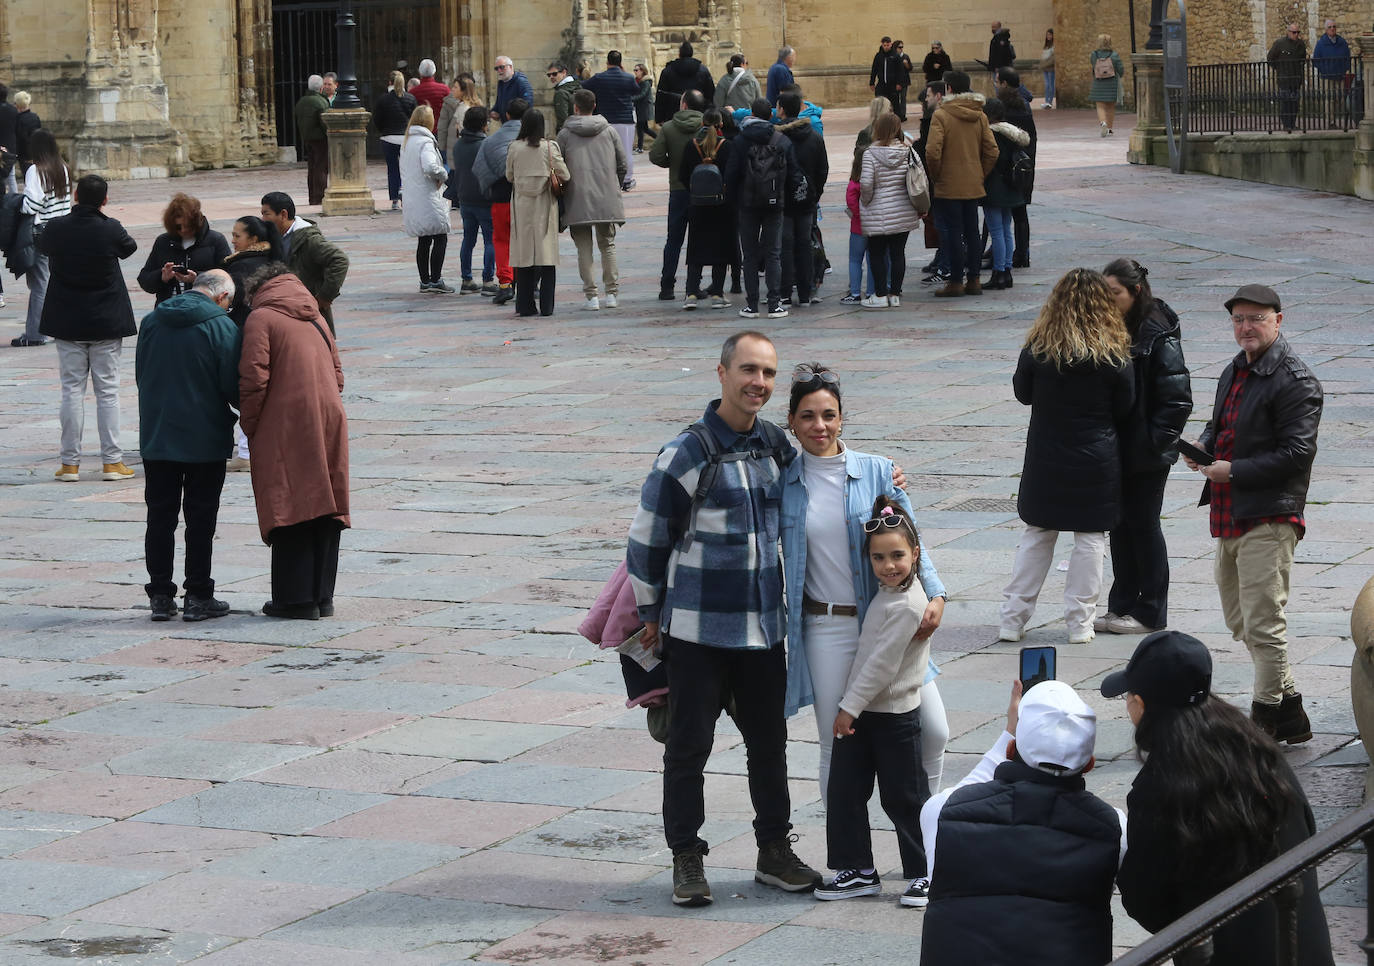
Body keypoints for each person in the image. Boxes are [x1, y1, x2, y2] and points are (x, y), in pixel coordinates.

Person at [627, 330, 821, 908]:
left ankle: (773, 852)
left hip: (763, 629)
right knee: (688, 748)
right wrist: (648, 614)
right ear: (721, 373)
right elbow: (646, 539)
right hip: (696, 631)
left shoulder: (775, 446)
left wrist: (889, 481)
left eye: (767, 373)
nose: (758, 383)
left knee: (770, 745)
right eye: (748, 370)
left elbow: (827, 483)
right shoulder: (686, 451)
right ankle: (687, 857)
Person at [779, 364, 949, 824]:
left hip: (891, 619)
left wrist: (935, 594)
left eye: (829, 415)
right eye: (808, 416)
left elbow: (912, 538)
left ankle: (925, 840)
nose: (820, 426)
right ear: (791, 422)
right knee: (839, 746)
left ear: (842, 418)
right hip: (826, 628)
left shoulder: (877, 471)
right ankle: (848, 859)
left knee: (933, 731)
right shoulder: (783, 483)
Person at [1103, 631, 1335, 966]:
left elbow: (1149, 905)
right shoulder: (1258, 748)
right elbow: (1305, 828)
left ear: (1140, 704)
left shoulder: (1160, 786)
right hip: (1301, 948)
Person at [1183, 283, 1323, 744]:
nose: (1247, 327)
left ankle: (1263, 724)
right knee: (1240, 620)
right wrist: (1203, 445)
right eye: (1239, 319)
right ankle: (1292, 716)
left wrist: (1233, 471)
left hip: (1270, 513)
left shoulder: (1296, 380)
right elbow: (1220, 421)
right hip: (1230, 510)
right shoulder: (1234, 368)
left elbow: (1297, 454)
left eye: (1256, 318)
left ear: (1278, 321)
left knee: (1264, 622)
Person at [919, 680, 1126, 966]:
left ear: (1011, 748)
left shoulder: (942, 812)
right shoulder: (1115, 829)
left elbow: (966, 791)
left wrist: (1008, 732)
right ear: (1089, 764)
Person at [998, 269, 1134, 645]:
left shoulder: (1039, 350)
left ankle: (1012, 619)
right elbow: (1126, 407)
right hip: (1097, 457)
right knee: (1091, 538)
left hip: (1046, 454)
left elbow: (1023, 394)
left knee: (1038, 533)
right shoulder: (1113, 355)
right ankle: (1080, 623)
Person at [811, 496, 933, 905]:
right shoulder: (888, 594)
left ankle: (926, 870)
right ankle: (858, 869)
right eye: (879, 558)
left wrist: (848, 707)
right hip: (865, 713)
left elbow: (882, 666)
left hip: (893, 716)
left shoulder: (908, 604)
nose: (889, 565)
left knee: (905, 796)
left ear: (915, 554)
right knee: (845, 790)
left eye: (897, 555)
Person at [239, 263, 349, 621]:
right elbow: (338, 373)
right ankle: (323, 597)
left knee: (290, 498)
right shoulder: (316, 314)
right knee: (326, 500)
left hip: (285, 420)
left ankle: (295, 599)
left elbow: (254, 377)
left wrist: (250, 424)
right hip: (328, 416)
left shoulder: (262, 318)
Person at [136, 270, 242, 623]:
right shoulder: (222, 327)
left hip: (158, 434)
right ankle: (198, 595)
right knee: (200, 518)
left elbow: (142, 375)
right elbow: (232, 386)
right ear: (222, 297)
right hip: (204, 436)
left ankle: (161, 596)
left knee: (160, 516)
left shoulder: (152, 321)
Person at [1096, 259, 1192, 635]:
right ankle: (1121, 605)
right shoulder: (1118, 325)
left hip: (1147, 451)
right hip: (1120, 447)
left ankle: (1151, 611)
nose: (1108, 300)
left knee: (1144, 525)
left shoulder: (1156, 331)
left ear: (1135, 292)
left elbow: (1177, 399)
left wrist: (1154, 445)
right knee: (1120, 526)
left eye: (1114, 293)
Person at [38, 173, 138, 483]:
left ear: (76, 197)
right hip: (105, 318)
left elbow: (41, 245)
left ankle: (70, 464)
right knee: (107, 391)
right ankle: (112, 462)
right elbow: (129, 248)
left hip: (67, 318)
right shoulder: (110, 228)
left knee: (71, 391)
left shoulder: (56, 228)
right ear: (105, 200)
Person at [728, 98, 802, 320]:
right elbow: (794, 174)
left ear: (751, 114)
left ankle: (751, 305)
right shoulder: (782, 140)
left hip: (747, 205)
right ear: (770, 115)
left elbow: (730, 175)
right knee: (773, 254)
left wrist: (734, 202)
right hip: (774, 204)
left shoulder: (740, 141)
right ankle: (774, 304)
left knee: (749, 256)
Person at [926, 72, 997, 299]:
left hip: (948, 183)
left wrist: (937, 176)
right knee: (972, 232)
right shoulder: (980, 115)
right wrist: (979, 173)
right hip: (972, 182)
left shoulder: (941, 115)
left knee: (954, 233)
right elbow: (992, 150)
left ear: (947, 88)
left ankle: (956, 281)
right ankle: (974, 279)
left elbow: (932, 152)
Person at [558, 89, 627, 311]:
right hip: (606, 195)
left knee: (583, 248)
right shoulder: (609, 131)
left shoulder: (565, 134)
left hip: (577, 196)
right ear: (594, 105)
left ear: (575, 108)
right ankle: (612, 294)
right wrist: (614, 183)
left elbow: (557, 166)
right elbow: (622, 164)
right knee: (608, 244)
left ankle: (592, 297)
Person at [504, 109, 568, 318]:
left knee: (524, 257)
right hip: (545, 207)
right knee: (546, 256)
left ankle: (524, 305)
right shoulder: (549, 147)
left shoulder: (514, 148)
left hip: (522, 206)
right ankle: (547, 307)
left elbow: (509, 175)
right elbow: (565, 174)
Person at [11, 129, 72, 347]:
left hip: (42, 231)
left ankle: (36, 333)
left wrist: (19, 201)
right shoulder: (63, 167)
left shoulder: (35, 170)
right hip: (63, 228)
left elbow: (32, 205)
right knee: (55, 280)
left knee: (39, 283)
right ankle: (59, 326)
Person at [259, 191, 349, 334]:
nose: (262, 219)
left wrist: (324, 297)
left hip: (308, 314)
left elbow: (339, 260)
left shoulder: (309, 239)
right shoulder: (275, 236)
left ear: (283, 214)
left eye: (266, 214)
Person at [858, 112, 922, 310]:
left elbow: (866, 183)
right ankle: (895, 294)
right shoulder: (909, 151)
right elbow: (920, 177)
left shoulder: (870, 153)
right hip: (902, 210)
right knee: (898, 253)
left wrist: (865, 201)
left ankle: (880, 294)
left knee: (876, 253)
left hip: (877, 211)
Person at [649, 89, 706, 302]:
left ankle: (667, 286)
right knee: (698, 239)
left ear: (683, 105)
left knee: (673, 240)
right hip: (702, 190)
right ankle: (694, 285)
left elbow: (655, 155)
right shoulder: (707, 127)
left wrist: (672, 164)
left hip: (678, 188)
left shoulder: (669, 127)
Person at [473, 96, 528, 306]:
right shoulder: (533, 140)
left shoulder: (490, 140)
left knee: (502, 241)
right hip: (526, 199)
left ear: (506, 115)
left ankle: (505, 283)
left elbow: (479, 168)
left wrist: (489, 187)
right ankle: (528, 283)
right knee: (526, 241)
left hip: (500, 198)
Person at [679, 108, 735, 310]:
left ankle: (691, 292)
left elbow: (682, 175)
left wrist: (694, 192)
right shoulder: (726, 146)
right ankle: (718, 295)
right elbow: (732, 175)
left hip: (697, 205)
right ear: (721, 124)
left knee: (696, 249)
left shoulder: (691, 145)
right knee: (721, 249)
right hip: (721, 206)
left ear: (702, 123)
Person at [777, 91, 828, 308]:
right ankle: (806, 293)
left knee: (785, 246)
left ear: (781, 109)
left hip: (783, 201)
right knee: (805, 244)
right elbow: (823, 168)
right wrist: (815, 192)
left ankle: (786, 293)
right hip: (807, 200)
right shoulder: (814, 136)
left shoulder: (777, 138)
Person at [136, 194, 231, 306]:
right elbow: (144, 279)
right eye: (178, 227)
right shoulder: (163, 242)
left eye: (188, 225)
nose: (184, 230)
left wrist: (198, 279)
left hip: (204, 308)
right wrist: (162, 277)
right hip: (168, 309)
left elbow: (228, 279)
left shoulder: (215, 240)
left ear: (196, 222)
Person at [398, 104, 453, 294]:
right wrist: (443, 174)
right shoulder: (425, 142)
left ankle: (424, 280)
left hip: (413, 195)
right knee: (440, 236)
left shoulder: (407, 141)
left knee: (424, 239)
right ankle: (436, 279)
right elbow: (430, 166)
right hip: (428, 195)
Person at [979, 98, 1028, 291]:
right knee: (1006, 229)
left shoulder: (991, 134)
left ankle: (998, 272)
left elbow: (989, 158)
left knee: (996, 231)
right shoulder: (1013, 133)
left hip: (995, 186)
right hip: (1012, 186)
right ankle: (1006, 271)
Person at [451, 105, 497, 296]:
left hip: (464, 197)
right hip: (484, 198)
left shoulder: (458, 145)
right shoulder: (486, 145)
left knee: (468, 240)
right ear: (483, 125)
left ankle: (467, 278)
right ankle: (488, 280)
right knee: (490, 240)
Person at [995, 69, 1037, 269]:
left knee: (1000, 211)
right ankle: (1022, 253)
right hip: (1025, 166)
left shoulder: (1004, 110)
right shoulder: (1025, 106)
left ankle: (1012, 253)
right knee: (1020, 213)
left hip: (1009, 168)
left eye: (997, 81)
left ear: (1004, 84)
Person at [581, 51, 640, 190]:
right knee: (626, 151)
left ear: (607, 62)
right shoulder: (628, 77)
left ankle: (607, 179)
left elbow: (584, 85)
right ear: (620, 63)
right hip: (625, 120)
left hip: (606, 120)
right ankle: (627, 180)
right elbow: (636, 90)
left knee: (606, 151)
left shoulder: (600, 78)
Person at [221, 215, 283, 327]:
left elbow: (234, 301)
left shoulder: (241, 265)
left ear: (253, 239)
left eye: (237, 236)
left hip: (246, 323)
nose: (233, 241)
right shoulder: (271, 257)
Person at [374, 70, 417, 211]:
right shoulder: (410, 98)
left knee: (392, 169)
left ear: (389, 82)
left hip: (389, 137)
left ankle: (394, 199)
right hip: (406, 138)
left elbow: (377, 119)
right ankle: (408, 196)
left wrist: (384, 130)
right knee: (408, 169)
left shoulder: (383, 99)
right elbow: (414, 118)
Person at [656, 42, 715, 124]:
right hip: (698, 112)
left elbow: (661, 95)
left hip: (673, 112)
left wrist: (659, 117)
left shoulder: (668, 70)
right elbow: (710, 94)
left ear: (679, 54)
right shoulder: (703, 70)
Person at [293, 75, 329, 205]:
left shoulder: (302, 101)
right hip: (320, 139)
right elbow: (324, 121)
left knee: (312, 168)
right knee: (321, 168)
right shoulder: (320, 102)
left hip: (307, 138)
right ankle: (319, 197)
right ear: (320, 88)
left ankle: (312, 197)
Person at [1268, 23, 1308, 133]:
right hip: (1284, 79)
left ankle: (1292, 123)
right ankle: (1286, 124)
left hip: (1296, 78)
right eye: (1294, 32)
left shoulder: (1300, 44)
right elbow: (1270, 58)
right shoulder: (1279, 44)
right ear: (1288, 32)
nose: (1296, 35)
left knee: (1294, 103)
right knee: (1285, 102)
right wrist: (1280, 69)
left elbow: (1302, 59)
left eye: (1297, 32)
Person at [1313, 20, 1352, 126]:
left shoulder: (1342, 42)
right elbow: (1316, 60)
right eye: (1330, 27)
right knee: (1329, 99)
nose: (1332, 29)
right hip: (1327, 76)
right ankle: (1331, 121)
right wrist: (1324, 69)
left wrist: (1345, 69)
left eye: (1334, 26)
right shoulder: (1321, 43)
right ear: (1326, 29)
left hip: (1340, 75)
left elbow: (1347, 58)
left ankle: (1341, 119)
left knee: (1341, 98)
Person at [1089, 35, 1125, 137]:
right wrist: (1120, 74)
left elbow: (1093, 65)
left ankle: (1103, 123)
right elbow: (1120, 69)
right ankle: (1109, 128)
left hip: (1098, 82)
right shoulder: (1114, 55)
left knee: (1100, 105)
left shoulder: (1094, 55)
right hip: (1112, 83)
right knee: (1110, 107)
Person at [492, 56, 534, 123]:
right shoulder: (501, 83)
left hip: (519, 125)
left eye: (502, 67)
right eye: (496, 68)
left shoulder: (521, 81)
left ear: (510, 67)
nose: (499, 70)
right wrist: (494, 111)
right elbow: (498, 103)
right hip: (506, 125)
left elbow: (528, 104)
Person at [410, 59, 449, 124]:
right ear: (434, 73)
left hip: (422, 130)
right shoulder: (445, 89)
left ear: (419, 73)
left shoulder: (413, 92)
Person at [547, 62, 580, 132]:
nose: (551, 77)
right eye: (549, 75)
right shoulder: (578, 86)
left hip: (567, 132)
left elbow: (562, 119)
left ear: (564, 72)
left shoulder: (560, 93)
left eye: (554, 74)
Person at [13, 91, 40, 174]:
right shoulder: (35, 117)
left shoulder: (18, 119)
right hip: (36, 151)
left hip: (24, 154)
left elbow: (21, 138)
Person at [632, 64, 654, 152]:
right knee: (645, 129)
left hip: (644, 107)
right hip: (640, 107)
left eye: (637, 70)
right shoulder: (637, 81)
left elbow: (642, 94)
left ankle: (640, 148)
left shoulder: (645, 82)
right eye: (634, 70)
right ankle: (660, 139)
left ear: (642, 71)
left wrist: (631, 99)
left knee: (640, 127)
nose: (635, 72)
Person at [1040, 29, 1057, 108]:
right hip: (1045, 68)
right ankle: (1047, 101)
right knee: (1046, 85)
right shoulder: (1046, 45)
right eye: (1047, 35)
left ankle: (1050, 101)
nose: (1048, 36)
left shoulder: (1054, 45)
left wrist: (1046, 63)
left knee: (1050, 85)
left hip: (1050, 68)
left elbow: (1053, 57)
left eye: (1050, 35)